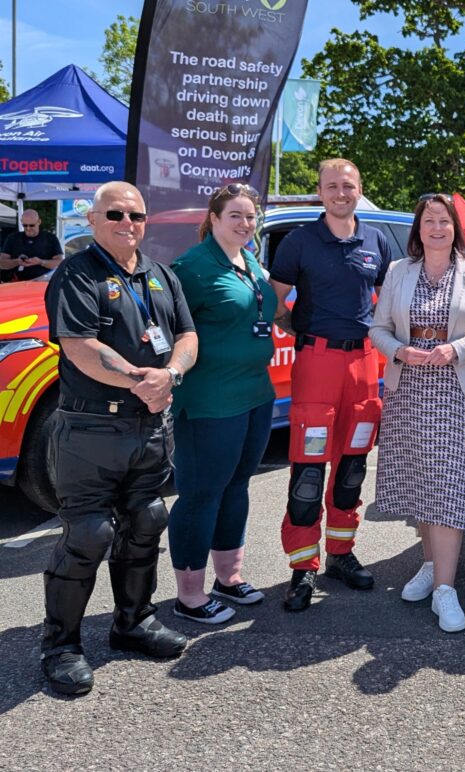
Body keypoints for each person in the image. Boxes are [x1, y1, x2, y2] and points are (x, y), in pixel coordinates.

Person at [40, 182, 198, 696]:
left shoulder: (160, 275)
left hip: (148, 427)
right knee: (88, 534)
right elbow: (79, 346)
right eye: (115, 214)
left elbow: (187, 336)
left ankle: (133, 623)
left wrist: (170, 374)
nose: (127, 223)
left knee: (146, 520)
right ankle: (61, 646)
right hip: (90, 429)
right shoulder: (76, 274)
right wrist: (140, 380)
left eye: (136, 215)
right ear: (92, 219)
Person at [369, 194, 465, 632]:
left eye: (444, 221)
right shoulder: (398, 270)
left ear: (454, 228)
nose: (436, 228)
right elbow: (377, 329)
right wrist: (399, 350)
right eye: (428, 221)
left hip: (456, 391)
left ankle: (445, 588)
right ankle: (431, 566)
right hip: (408, 387)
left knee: (448, 481)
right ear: (418, 228)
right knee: (421, 479)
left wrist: (456, 349)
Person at [269, 158, 392, 611]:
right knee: (308, 470)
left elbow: (389, 300)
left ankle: (341, 553)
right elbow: (275, 301)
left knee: (352, 466)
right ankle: (303, 566)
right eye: (333, 186)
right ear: (319, 192)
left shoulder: (376, 240)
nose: (341, 193)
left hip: (364, 363)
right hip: (316, 362)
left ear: (359, 190)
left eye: (349, 186)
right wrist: (302, 332)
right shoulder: (300, 241)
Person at [167, 184, 277, 624]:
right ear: (213, 218)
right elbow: (170, 329)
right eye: (235, 215)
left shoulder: (249, 261)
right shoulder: (192, 268)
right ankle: (189, 597)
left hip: (255, 395)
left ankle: (228, 579)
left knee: (237, 486)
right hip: (210, 401)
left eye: (250, 216)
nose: (245, 224)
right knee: (201, 494)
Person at [0, 209, 63, 282]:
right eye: (25, 225)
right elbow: (2, 263)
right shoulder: (13, 238)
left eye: (32, 225)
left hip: (43, 282)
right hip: (17, 282)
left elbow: (59, 263)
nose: (28, 228)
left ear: (39, 222)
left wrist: (41, 262)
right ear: (21, 222)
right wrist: (17, 262)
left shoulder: (50, 238)